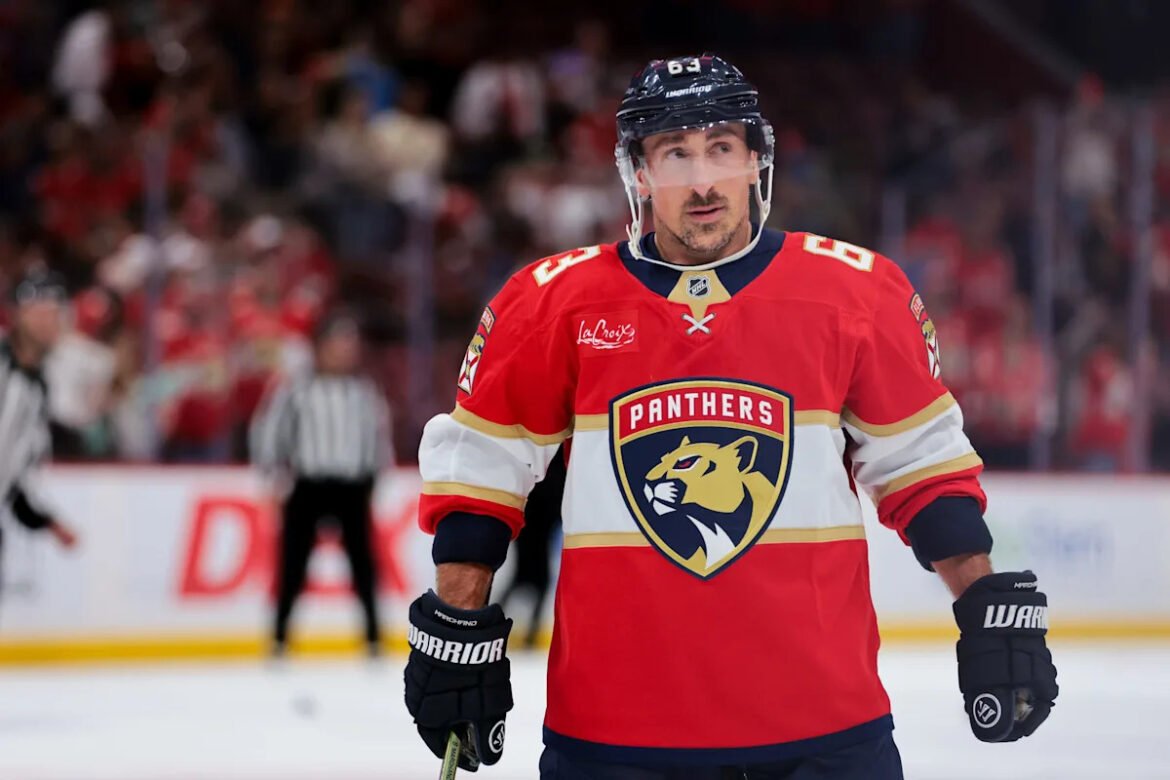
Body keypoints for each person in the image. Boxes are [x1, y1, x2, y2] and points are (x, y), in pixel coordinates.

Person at [404, 56, 1058, 778]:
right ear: (639, 173)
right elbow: (481, 479)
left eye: (721, 148)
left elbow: (923, 472)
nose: (704, 181)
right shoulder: (552, 303)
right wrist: (457, 626)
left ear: (755, 161)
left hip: (825, 732)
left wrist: (983, 601)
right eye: (675, 154)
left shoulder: (855, 294)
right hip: (615, 736)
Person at [249, 312, 392, 657]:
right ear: (321, 347)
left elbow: (378, 436)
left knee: (364, 565)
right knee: (293, 565)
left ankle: (373, 639)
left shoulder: (363, 390)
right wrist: (271, 479)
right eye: (339, 343)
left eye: (350, 344)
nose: (345, 350)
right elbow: (269, 432)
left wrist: (375, 478)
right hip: (308, 486)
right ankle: (280, 638)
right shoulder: (296, 388)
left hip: (352, 487)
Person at [0, 269, 78, 600]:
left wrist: (45, 521)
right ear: (18, 315)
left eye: (55, 313)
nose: (49, 321)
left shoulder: (38, 389)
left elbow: (12, 475)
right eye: (39, 312)